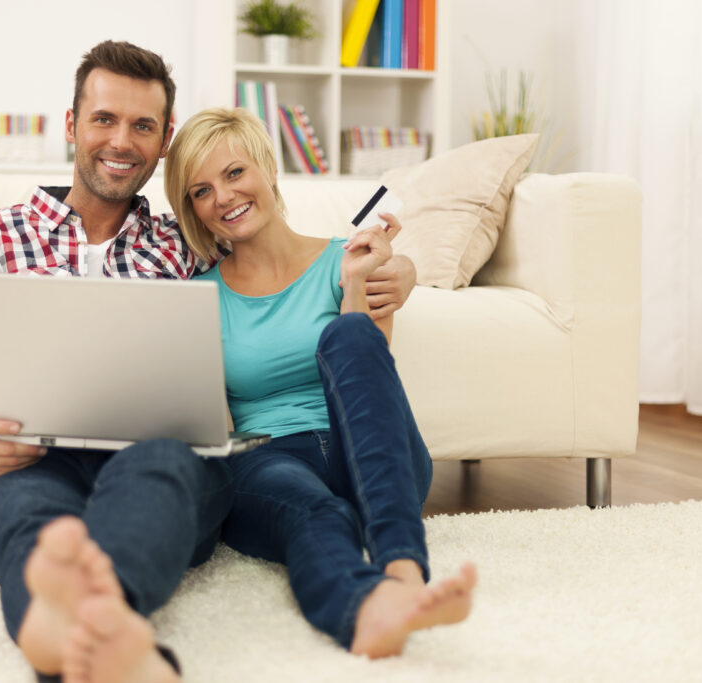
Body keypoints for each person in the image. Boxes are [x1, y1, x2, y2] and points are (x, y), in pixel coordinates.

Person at [0, 42, 417, 682]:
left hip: (155, 456)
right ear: (72, 125)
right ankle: (97, 640)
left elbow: (279, 263)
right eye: (104, 119)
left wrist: (399, 273)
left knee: (166, 467)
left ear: (163, 143)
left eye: (143, 126)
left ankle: (77, 631)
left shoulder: (185, 243)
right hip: (24, 454)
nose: (121, 141)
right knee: (30, 517)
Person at [163, 107, 476, 659]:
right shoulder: (200, 296)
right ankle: (364, 612)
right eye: (201, 191)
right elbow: (213, 421)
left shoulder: (346, 259)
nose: (223, 197)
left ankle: (403, 573)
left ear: (268, 169)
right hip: (270, 460)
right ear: (193, 210)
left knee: (350, 337)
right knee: (319, 513)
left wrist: (357, 284)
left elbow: (371, 374)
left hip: (372, 452)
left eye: (235, 173)